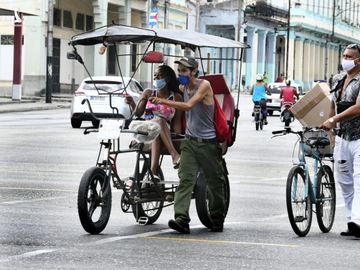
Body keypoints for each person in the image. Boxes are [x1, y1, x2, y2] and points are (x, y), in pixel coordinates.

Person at [149, 56, 226, 233]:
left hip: (208, 143)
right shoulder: (182, 87)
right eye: (179, 71)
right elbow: (165, 84)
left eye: (184, 71)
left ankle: (217, 218)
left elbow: (189, 105)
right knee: (185, 180)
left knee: (214, 183)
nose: (181, 74)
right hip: (190, 142)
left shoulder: (204, 85)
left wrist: (163, 102)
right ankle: (182, 219)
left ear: (193, 72)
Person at [320, 43, 360, 237]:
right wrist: (332, 132)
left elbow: (359, 107)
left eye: (349, 56)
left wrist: (333, 120)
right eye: (344, 55)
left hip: (359, 138)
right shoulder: (337, 79)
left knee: (359, 180)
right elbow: (332, 104)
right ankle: (351, 221)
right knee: (345, 181)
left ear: (358, 60)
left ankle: (357, 221)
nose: (345, 59)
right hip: (343, 138)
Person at [125, 65, 182, 177]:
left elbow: (177, 124)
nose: (156, 78)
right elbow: (138, 113)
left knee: (157, 129)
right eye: (155, 76)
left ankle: (152, 173)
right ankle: (174, 155)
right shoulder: (148, 92)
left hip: (163, 132)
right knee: (158, 122)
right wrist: (131, 103)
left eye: (159, 76)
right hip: (144, 129)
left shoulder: (176, 97)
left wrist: (179, 137)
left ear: (168, 78)